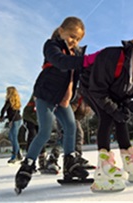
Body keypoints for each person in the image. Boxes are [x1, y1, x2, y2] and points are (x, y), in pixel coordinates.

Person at [15, 16, 99, 193]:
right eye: (71, 36)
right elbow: (60, 61)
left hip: (63, 98)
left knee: (70, 126)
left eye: (77, 39)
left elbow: (79, 74)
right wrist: (86, 60)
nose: (73, 41)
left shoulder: (76, 53)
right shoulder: (51, 46)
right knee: (45, 132)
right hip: (45, 94)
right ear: (61, 31)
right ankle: (27, 164)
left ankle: (70, 163)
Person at [80, 31, 133, 192]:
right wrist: (115, 109)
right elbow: (98, 90)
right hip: (92, 87)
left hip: (111, 92)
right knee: (107, 117)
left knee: (121, 119)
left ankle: (129, 163)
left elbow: (125, 93)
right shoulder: (112, 57)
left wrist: (126, 106)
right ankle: (103, 169)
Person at [0, 86, 23, 164]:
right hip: (18, 120)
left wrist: (2, 117)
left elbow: (4, 109)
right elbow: (12, 113)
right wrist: (6, 118)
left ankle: (15, 155)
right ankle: (18, 153)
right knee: (12, 137)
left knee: (13, 137)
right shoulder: (15, 101)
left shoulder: (9, 101)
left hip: (15, 121)